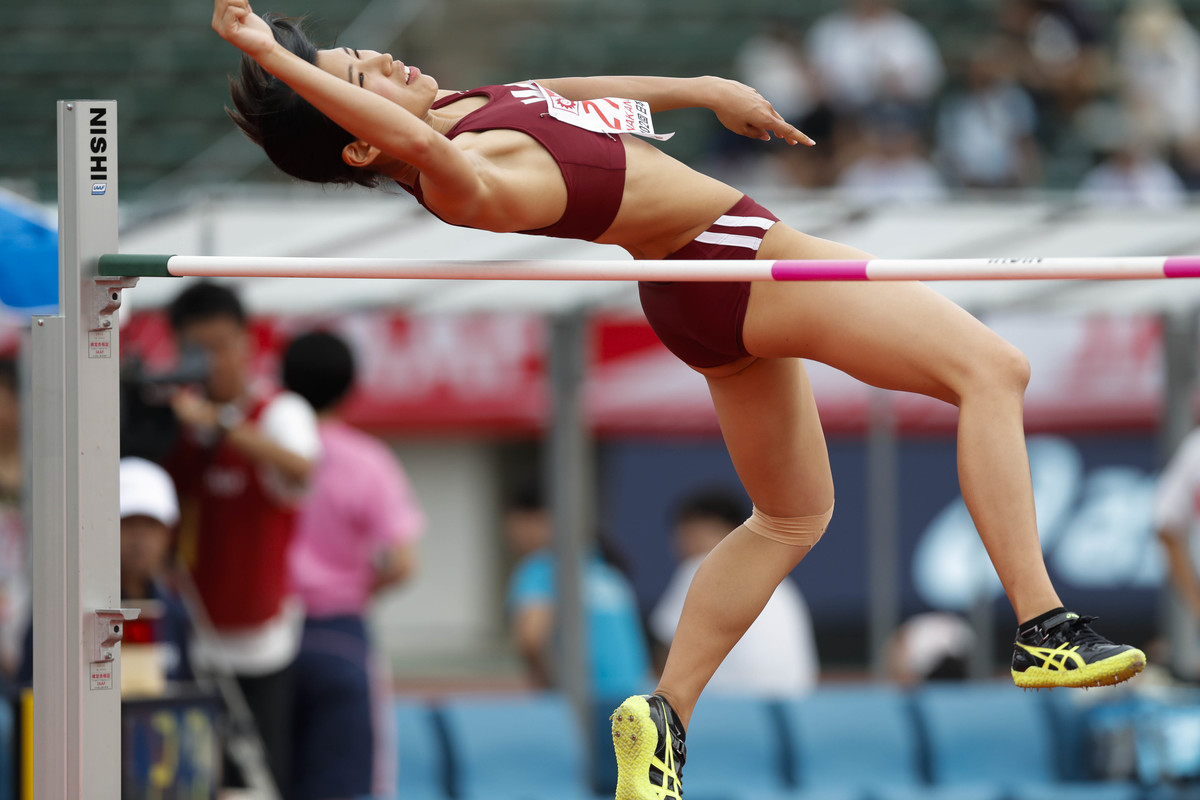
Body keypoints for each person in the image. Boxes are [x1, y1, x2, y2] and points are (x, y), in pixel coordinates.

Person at [210, 2, 1146, 796]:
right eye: (361, 74)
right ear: (365, 136)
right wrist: (268, 56)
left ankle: (664, 714)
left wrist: (703, 92)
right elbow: (415, 139)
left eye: (359, 52)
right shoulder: (459, 178)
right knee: (993, 371)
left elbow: (568, 97)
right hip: (735, 255)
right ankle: (1042, 624)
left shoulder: (464, 104)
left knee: (790, 517)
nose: (383, 58)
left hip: (692, 289)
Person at [164, 281, 320, 792]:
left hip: (259, 636)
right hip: (188, 629)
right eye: (196, 349)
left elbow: (302, 468)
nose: (210, 362)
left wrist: (223, 424)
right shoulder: (173, 418)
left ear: (247, 343)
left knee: (257, 772)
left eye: (220, 346)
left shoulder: (280, 412)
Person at [282, 330, 423, 800]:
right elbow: (402, 562)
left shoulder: (262, 453)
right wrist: (360, 586)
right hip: (342, 632)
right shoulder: (368, 460)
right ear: (350, 389)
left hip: (267, 633)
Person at [650, 489, 817, 696]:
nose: (684, 542)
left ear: (733, 532)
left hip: (729, 711)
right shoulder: (780, 580)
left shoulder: (699, 568)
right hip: (797, 711)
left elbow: (664, 662)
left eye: (694, 532)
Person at [504, 486, 651, 699]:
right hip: (637, 703)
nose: (511, 534)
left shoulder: (542, 568)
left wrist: (549, 691)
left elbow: (530, 639)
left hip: (589, 704)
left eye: (515, 523)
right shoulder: (605, 568)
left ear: (540, 519)